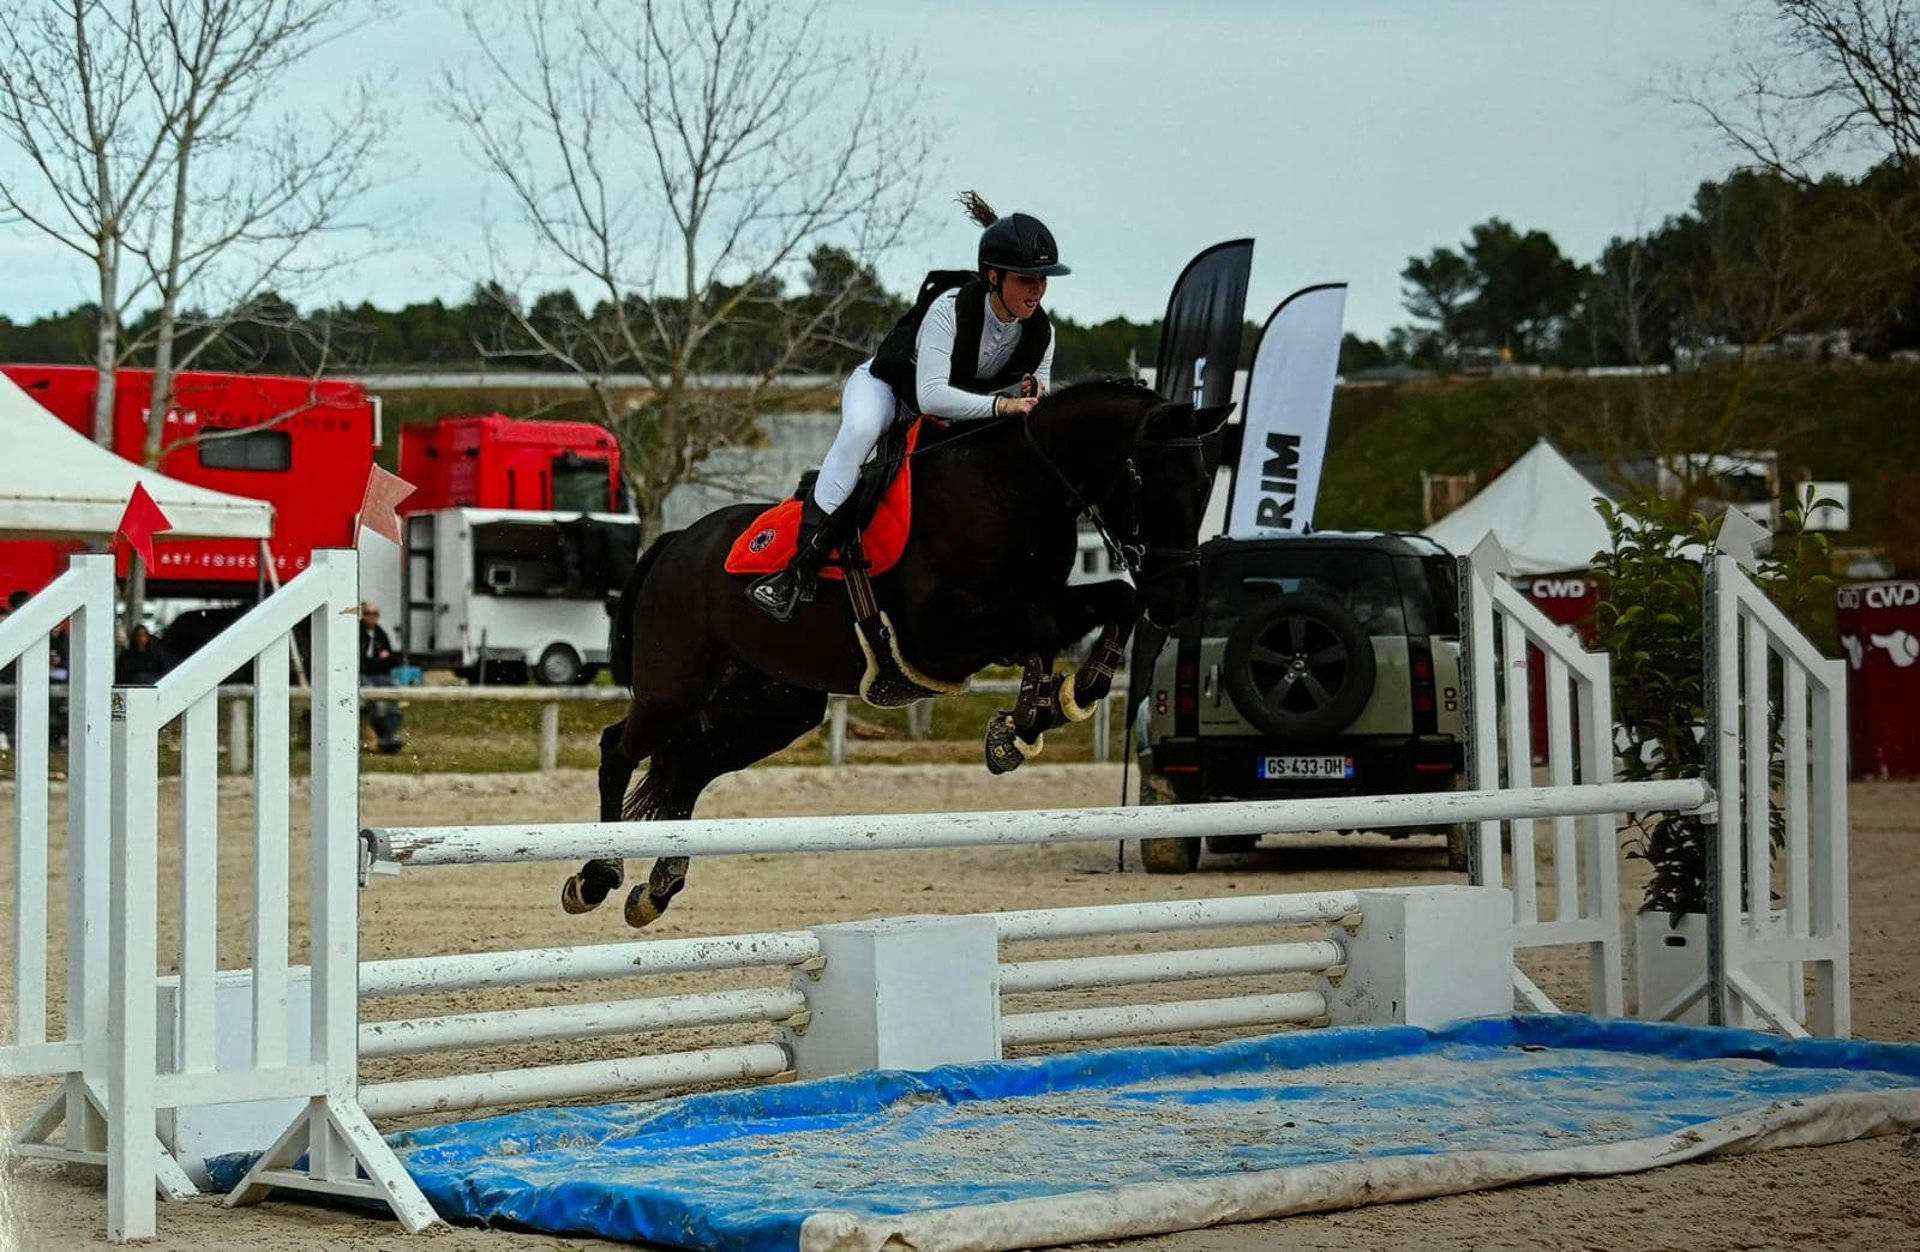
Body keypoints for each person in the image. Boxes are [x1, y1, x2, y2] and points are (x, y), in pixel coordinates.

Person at [746, 192, 1069, 621]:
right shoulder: (950, 309)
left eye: (1042, 279)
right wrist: (1002, 407)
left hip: (952, 415)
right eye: (1027, 279)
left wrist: (1031, 393)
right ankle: (797, 570)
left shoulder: (1041, 334)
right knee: (861, 431)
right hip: (887, 391)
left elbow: (1036, 403)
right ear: (993, 277)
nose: (1037, 290)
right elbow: (930, 394)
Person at [359, 602, 405, 754]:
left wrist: (379, 661)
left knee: (394, 690)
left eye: (375, 614)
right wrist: (380, 661)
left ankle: (389, 735)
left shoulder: (381, 633)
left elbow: (391, 659)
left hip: (379, 674)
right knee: (372, 695)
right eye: (369, 614)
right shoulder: (357, 632)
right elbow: (361, 661)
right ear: (363, 615)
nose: (372, 617)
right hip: (363, 675)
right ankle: (384, 736)